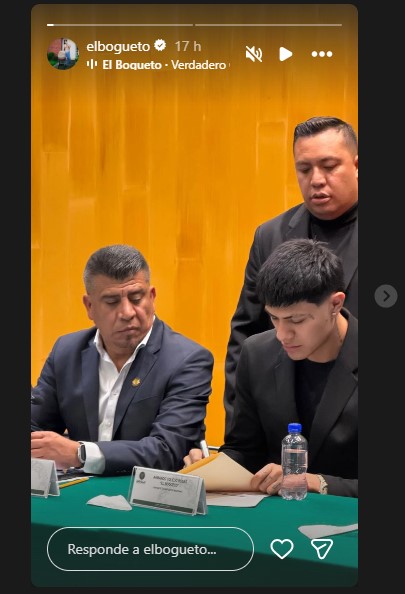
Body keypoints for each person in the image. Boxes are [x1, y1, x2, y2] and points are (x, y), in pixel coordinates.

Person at [184, 239, 358, 498]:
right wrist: (211, 466)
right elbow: (245, 451)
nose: (282, 334)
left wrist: (317, 482)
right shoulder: (257, 353)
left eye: (296, 320)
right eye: (274, 318)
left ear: (335, 304)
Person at [224, 116, 358, 436]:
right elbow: (246, 334)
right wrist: (239, 436)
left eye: (329, 166)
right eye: (304, 169)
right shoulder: (270, 235)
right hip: (288, 409)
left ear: (356, 165)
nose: (316, 180)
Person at [31, 244, 214, 476]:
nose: (127, 312)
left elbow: (167, 449)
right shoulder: (66, 352)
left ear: (152, 297)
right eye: (112, 302)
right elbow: (35, 426)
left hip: (148, 493)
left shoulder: (188, 360)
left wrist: (80, 454)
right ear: (89, 306)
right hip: (78, 490)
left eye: (136, 298)